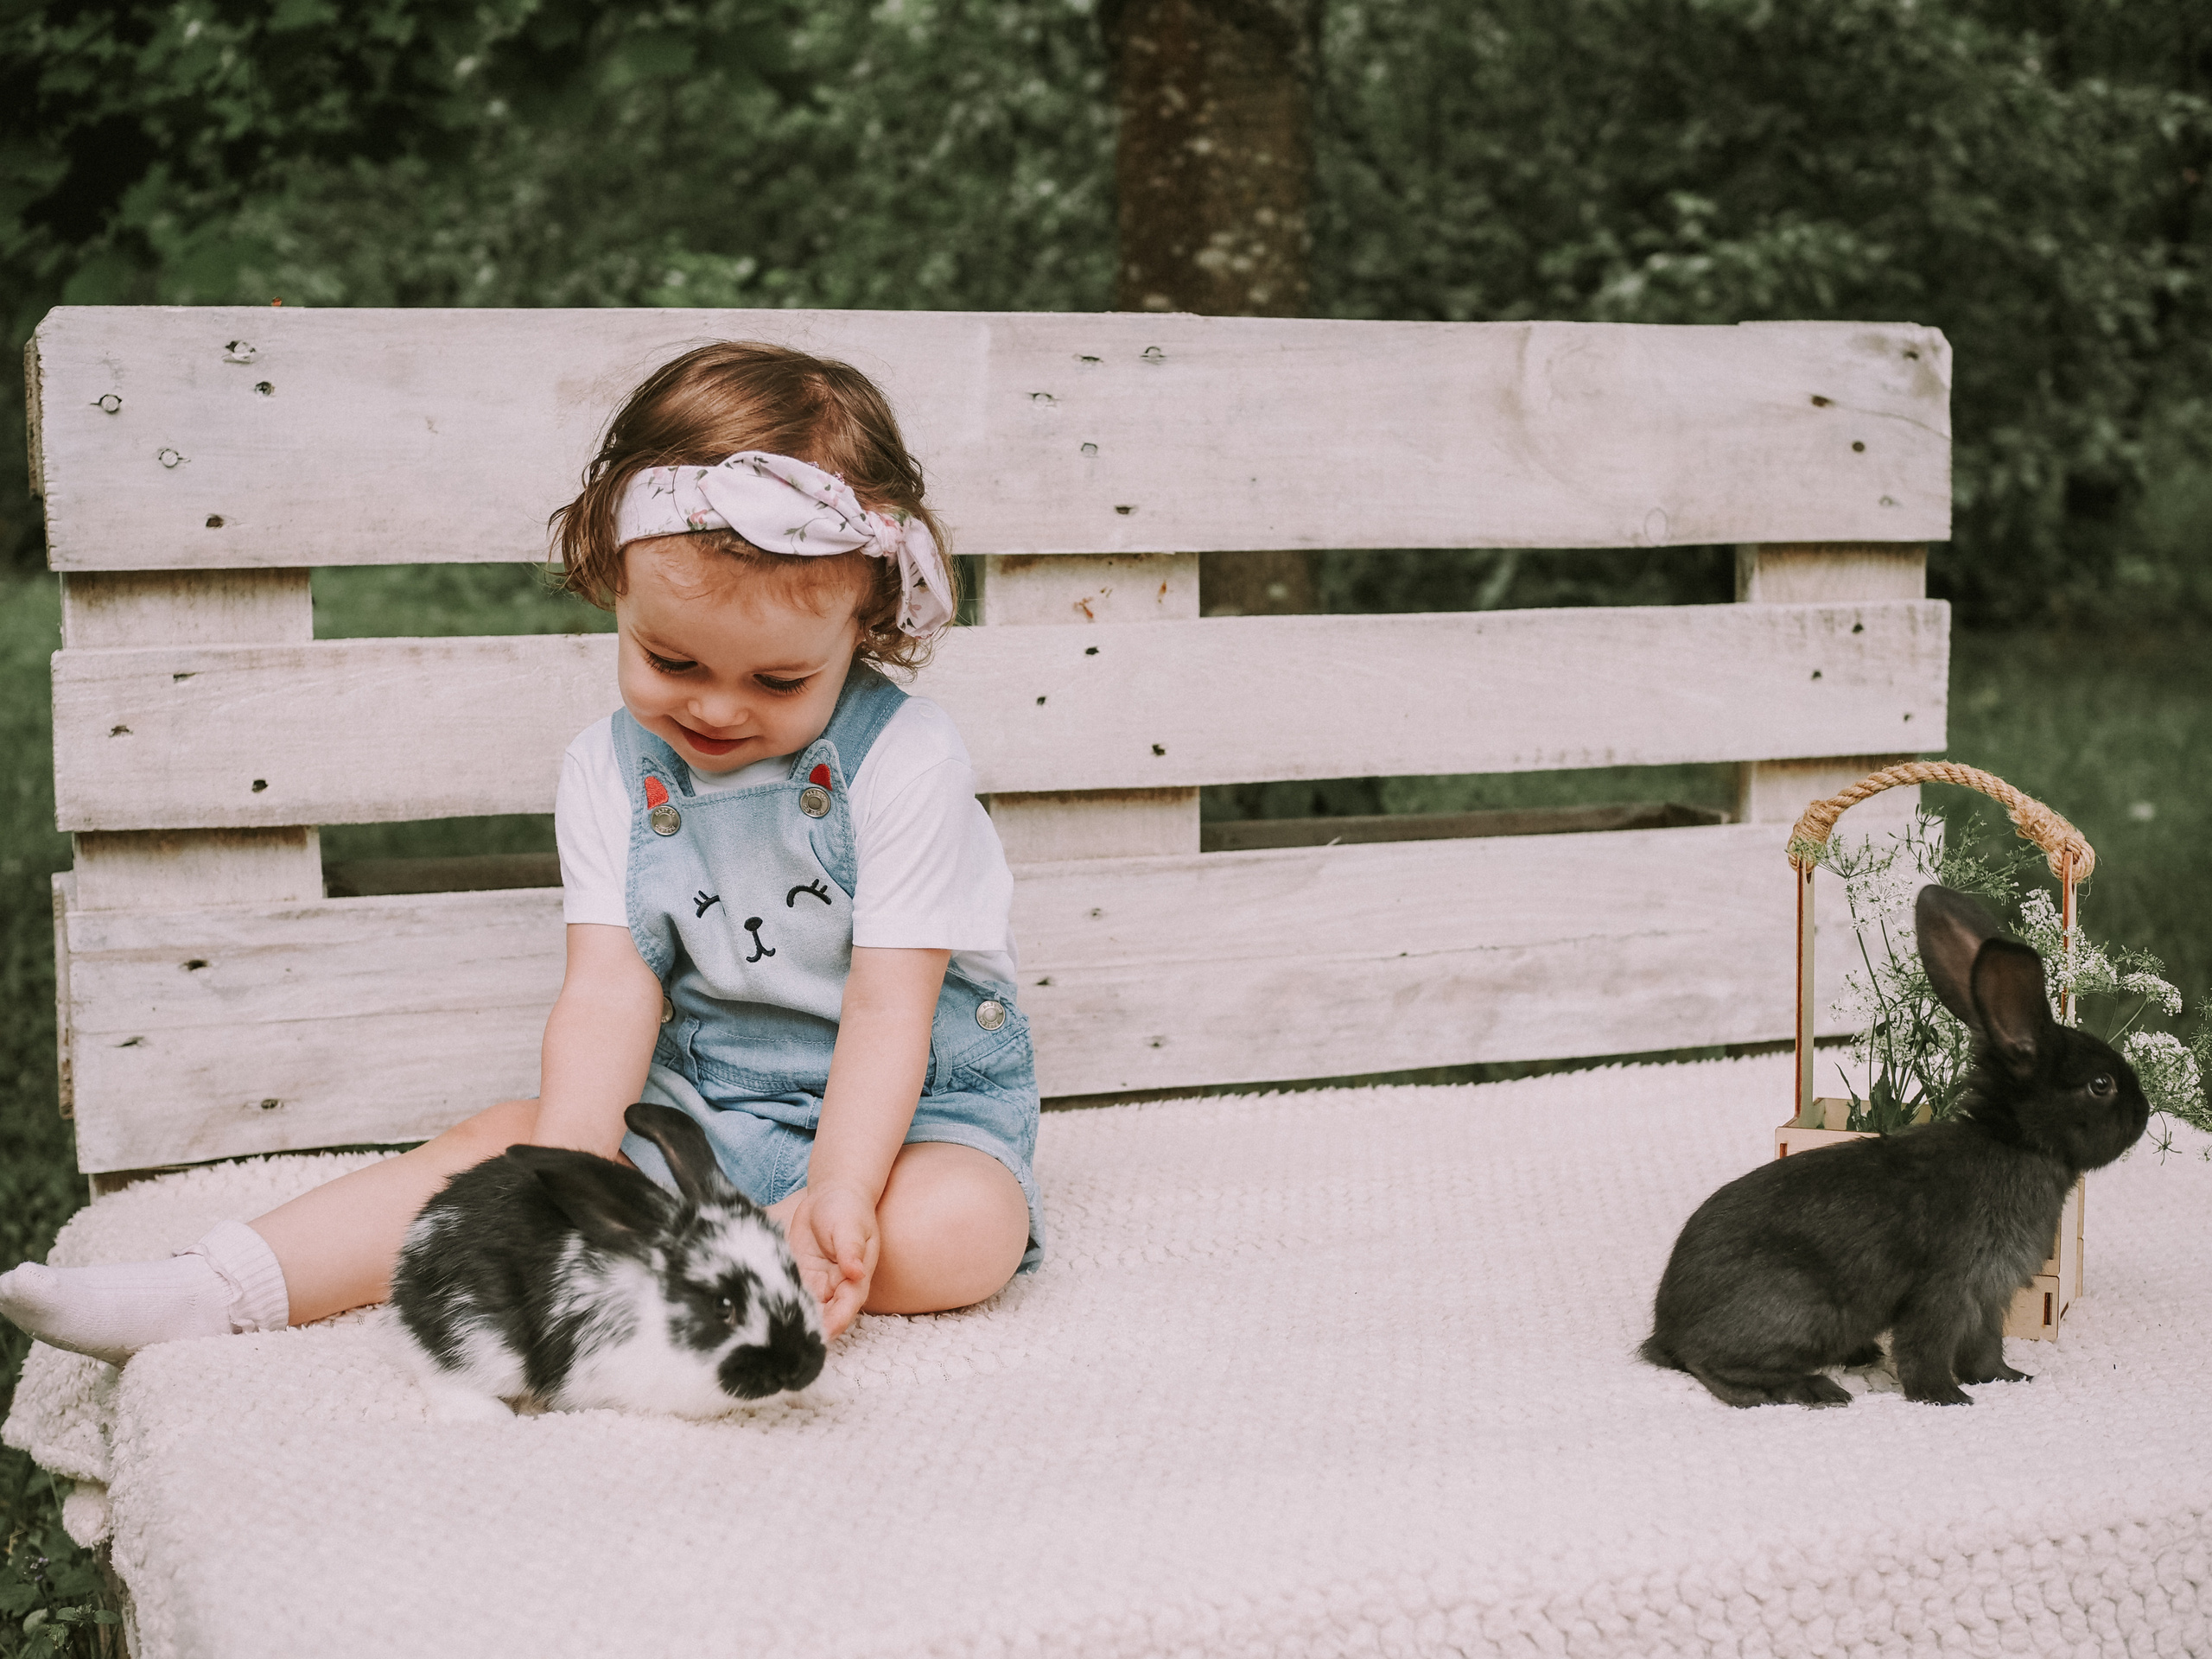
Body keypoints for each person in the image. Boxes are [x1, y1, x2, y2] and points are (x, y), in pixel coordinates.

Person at [0, 341, 1041, 1366]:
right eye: (671, 659)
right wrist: (575, 1165)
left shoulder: (901, 758)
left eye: (778, 683)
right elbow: (609, 992)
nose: (717, 708)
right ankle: (215, 1288)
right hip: (704, 1100)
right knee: (497, 1147)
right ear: (611, 583)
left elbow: (889, 1006)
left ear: (862, 626)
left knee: (959, 1234)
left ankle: (708, 1278)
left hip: (913, 1114)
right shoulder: (608, 771)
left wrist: (843, 1190)